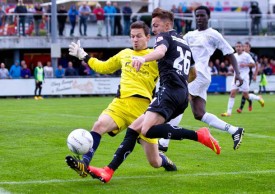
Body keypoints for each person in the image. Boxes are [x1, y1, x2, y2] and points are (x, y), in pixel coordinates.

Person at [87, 8, 221, 183]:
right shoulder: (184, 44)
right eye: (153, 26)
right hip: (181, 94)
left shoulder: (163, 37)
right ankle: (108, 170)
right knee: (135, 128)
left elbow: (160, 52)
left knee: (146, 129)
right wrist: (180, 84)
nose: (154, 29)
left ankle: (199, 135)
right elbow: (193, 74)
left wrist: (143, 59)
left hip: (168, 92)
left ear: (167, 25)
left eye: (156, 25)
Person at [66, 21, 182, 178]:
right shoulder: (124, 54)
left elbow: (173, 73)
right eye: (132, 36)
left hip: (144, 112)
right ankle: (84, 164)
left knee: (154, 161)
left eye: (139, 36)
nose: (135, 40)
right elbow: (103, 67)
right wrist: (84, 56)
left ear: (148, 37)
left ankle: (165, 160)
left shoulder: (155, 57)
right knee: (99, 125)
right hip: (121, 104)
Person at [159, 5, 244, 152]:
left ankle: (163, 142)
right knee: (199, 114)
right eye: (197, 15)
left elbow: (230, 52)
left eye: (202, 15)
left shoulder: (213, 34)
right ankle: (234, 130)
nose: (199, 18)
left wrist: (238, 73)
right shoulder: (189, 35)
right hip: (192, 74)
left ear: (208, 17)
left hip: (200, 74)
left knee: (180, 102)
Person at [221, 42, 264, 116]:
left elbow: (253, 64)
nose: (238, 48)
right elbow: (234, 65)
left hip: (244, 78)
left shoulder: (247, 56)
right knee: (232, 93)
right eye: (236, 46)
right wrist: (232, 68)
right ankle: (228, 112)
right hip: (236, 77)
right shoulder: (234, 56)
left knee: (246, 95)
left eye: (239, 46)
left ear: (242, 48)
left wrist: (246, 65)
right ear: (235, 48)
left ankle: (258, 98)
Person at [237, 42, 259, 113]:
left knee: (244, 92)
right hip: (241, 74)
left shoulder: (252, 55)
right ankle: (251, 101)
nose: (245, 48)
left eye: (246, 46)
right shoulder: (241, 54)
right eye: (244, 46)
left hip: (248, 74)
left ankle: (240, 108)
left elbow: (256, 66)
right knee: (244, 92)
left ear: (249, 48)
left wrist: (255, 75)